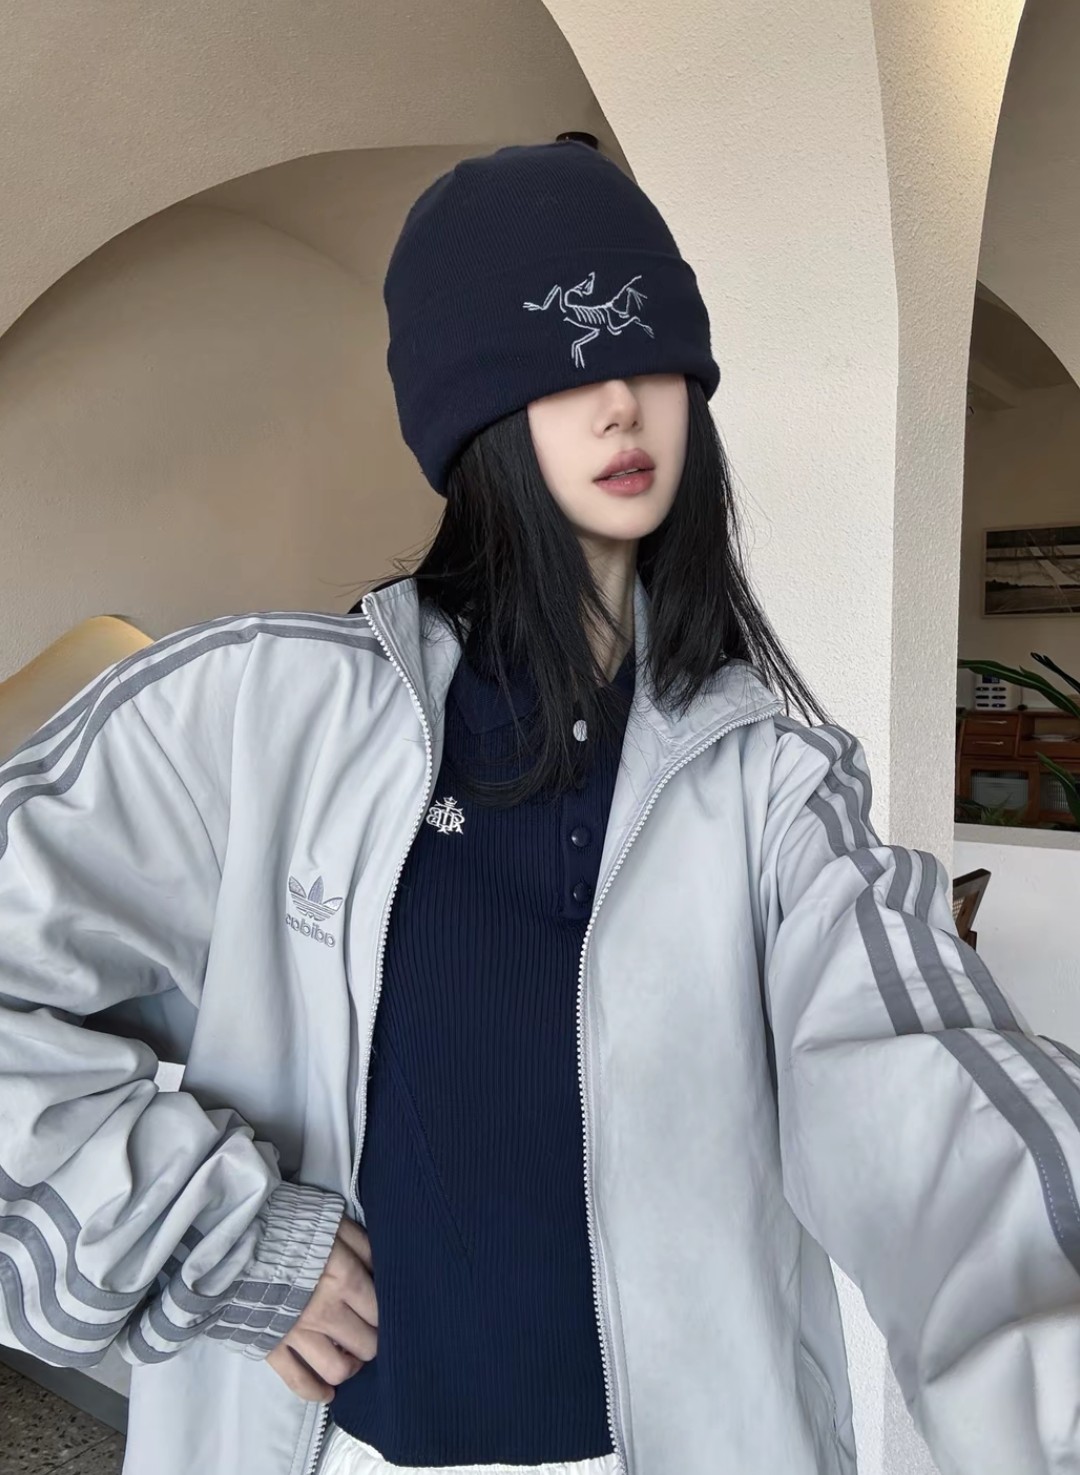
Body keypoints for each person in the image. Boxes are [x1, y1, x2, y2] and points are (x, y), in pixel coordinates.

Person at [0, 139, 1077, 1475]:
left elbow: (928, 1076)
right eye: (560, 361)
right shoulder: (249, 713)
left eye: (648, 353)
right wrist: (209, 1228)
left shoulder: (777, 785)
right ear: (471, 412)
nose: (619, 402)